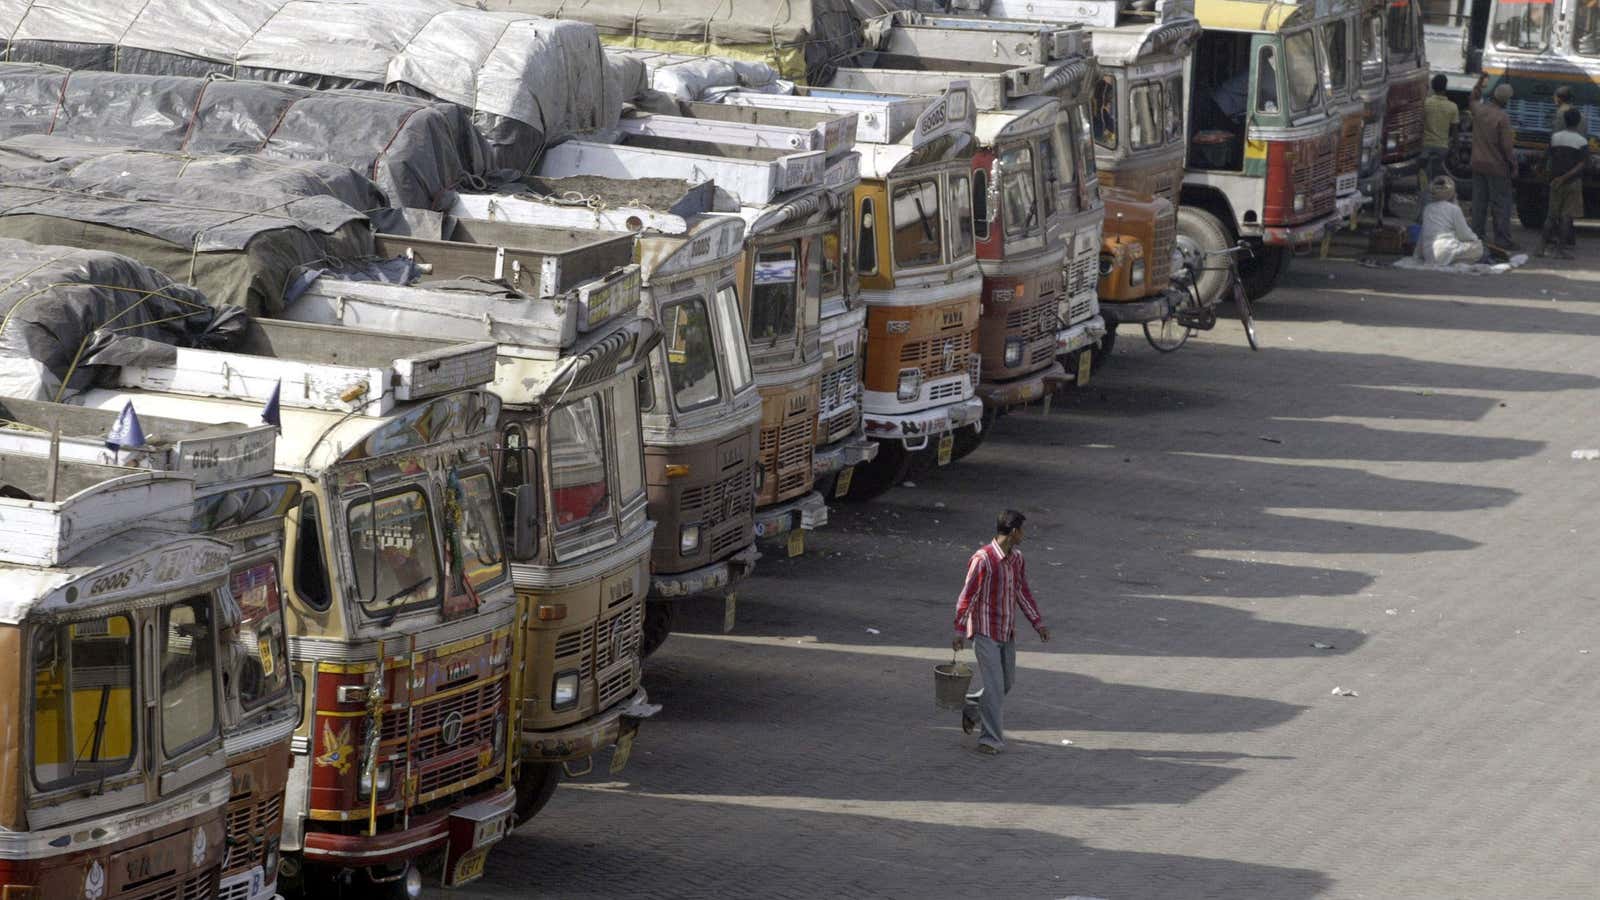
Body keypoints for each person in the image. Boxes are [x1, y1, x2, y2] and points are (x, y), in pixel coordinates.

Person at [951, 510, 1051, 755]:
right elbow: (967, 596)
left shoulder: (1017, 559)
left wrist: (1037, 622)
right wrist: (959, 629)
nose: (1024, 535)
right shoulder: (983, 559)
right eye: (1022, 530)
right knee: (995, 687)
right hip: (984, 631)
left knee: (1005, 683)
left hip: (1006, 631)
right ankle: (990, 740)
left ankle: (972, 706)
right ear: (1014, 531)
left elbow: (1021, 592)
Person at [1469, 76, 1518, 251]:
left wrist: (1480, 81)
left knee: (1479, 202)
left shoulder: (1480, 110)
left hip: (1477, 163)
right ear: (1506, 100)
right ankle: (1502, 239)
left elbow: (1472, 98)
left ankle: (1476, 236)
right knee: (1501, 204)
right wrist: (1513, 164)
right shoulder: (1502, 117)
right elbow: (1506, 147)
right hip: (1496, 167)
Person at [1541, 107, 1588, 259]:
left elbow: (1546, 157)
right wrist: (1567, 177)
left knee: (1551, 215)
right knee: (1566, 217)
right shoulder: (1582, 141)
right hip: (1572, 183)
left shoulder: (1555, 137)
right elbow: (1582, 164)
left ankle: (1541, 248)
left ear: (1565, 120)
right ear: (1579, 122)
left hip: (1555, 181)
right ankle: (1560, 251)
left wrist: (1544, 172)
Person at [1415, 176, 1485, 265]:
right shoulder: (1454, 209)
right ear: (1452, 192)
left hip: (1429, 254)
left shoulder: (1427, 209)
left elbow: (1423, 235)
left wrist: (1418, 254)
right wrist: (1475, 240)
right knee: (1479, 248)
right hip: (1445, 251)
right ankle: (1452, 260)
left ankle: (1450, 260)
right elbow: (1464, 234)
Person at [1420, 73, 1458, 187]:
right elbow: (1455, 132)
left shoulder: (1425, 103)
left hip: (1425, 147)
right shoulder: (1452, 107)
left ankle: (1424, 200)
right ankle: (1439, 198)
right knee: (1439, 179)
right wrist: (1455, 151)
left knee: (1423, 179)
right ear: (1445, 87)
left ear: (1433, 86)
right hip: (1442, 148)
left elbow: (1420, 124)